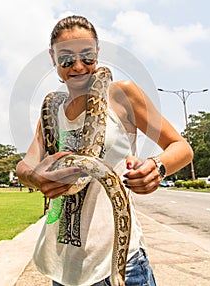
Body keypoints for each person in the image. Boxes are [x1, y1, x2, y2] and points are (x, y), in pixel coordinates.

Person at [16, 15, 193, 286]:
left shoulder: (122, 95)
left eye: (87, 57)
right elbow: (24, 167)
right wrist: (36, 178)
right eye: (66, 58)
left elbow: (181, 147)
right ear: (52, 58)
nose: (78, 66)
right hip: (65, 269)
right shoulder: (51, 108)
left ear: (97, 54)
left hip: (120, 265)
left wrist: (157, 166)